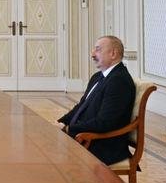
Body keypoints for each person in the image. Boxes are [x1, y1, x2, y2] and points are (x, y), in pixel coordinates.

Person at [57, 36, 135, 165]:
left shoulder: (119, 81)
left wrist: (68, 128)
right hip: (83, 139)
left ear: (113, 53)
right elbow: (81, 107)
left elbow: (104, 122)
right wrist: (61, 122)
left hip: (101, 147)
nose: (92, 54)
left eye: (98, 50)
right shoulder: (98, 76)